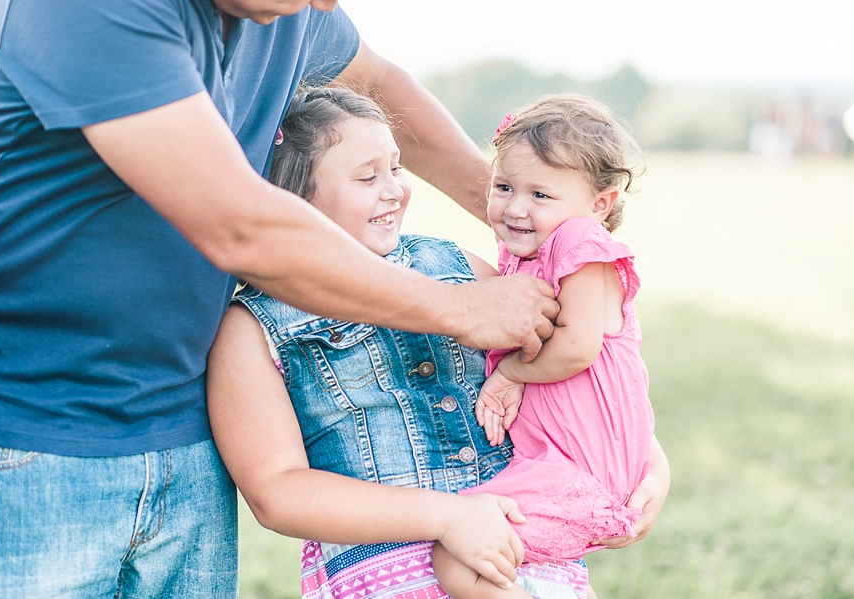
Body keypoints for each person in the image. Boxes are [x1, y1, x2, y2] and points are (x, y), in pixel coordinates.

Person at [0, 2, 559, 597]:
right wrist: (459, 308)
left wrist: (530, 217)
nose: (325, 3)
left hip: (184, 431)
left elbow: (376, 82)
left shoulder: (287, 11)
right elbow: (240, 227)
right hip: (27, 434)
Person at [208, 86, 670, 599]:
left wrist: (647, 460)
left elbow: (580, 371)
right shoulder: (253, 328)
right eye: (368, 176)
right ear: (290, 196)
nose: (395, 191)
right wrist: (449, 517)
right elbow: (277, 491)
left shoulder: (461, 269)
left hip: (516, 560)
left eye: (397, 168)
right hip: (387, 575)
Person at [429, 94, 662, 599]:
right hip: (562, 470)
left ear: (601, 203)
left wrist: (509, 374)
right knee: (467, 541)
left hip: (581, 479)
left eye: (540, 195)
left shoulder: (579, 242)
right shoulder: (532, 252)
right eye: (504, 186)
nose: (514, 207)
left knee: (458, 549)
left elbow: (578, 346)